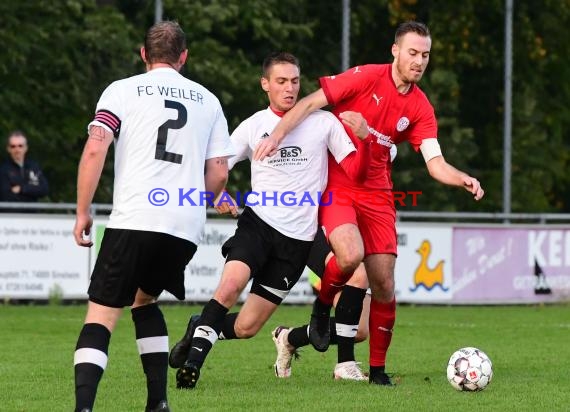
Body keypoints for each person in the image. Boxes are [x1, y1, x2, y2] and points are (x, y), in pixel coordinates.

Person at [254, 21, 485, 386]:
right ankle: (319, 308)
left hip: (378, 195)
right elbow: (312, 102)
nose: (419, 61)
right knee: (349, 256)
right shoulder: (364, 77)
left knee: (385, 284)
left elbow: (435, 162)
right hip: (341, 186)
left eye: (425, 55)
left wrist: (461, 178)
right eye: (412, 52)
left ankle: (377, 371)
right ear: (395, 51)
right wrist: (277, 136)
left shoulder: (421, 107)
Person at [169, 51, 372, 390]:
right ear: (265, 84)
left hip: (298, 242)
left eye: (294, 81)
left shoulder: (322, 122)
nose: (289, 88)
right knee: (230, 286)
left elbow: (355, 170)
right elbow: (217, 167)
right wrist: (216, 195)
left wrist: (366, 139)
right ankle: (193, 367)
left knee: (247, 328)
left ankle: (199, 327)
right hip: (258, 227)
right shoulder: (253, 126)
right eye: (281, 81)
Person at [71, 21, 234, 412]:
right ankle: (158, 402)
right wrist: (204, 201)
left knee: (102, 313)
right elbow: (220, 173)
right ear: (183, 57)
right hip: (183, 226)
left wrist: (82, 212)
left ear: (144, 55)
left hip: (135, 217)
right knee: (144, 302)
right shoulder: (208, 100)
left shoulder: (122, 90)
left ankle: (83, 408)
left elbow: (96, 149)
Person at [273, 144, 396, 381]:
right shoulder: (334, 135)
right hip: (315, 229)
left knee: (359, 330)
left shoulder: (383, 148)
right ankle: (345, 365)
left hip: (350, 237)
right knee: (358, 274)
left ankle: (288, 338)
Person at [0, 131, 49, 203]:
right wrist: (32, 191)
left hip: (32, 213)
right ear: (8, 149)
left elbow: (44, 189)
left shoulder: (33, 166)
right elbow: (5, 196)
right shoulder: (3, 170)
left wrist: (21, 189)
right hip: (10, 213)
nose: (17, 149)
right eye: (13, 146)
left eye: (20, 146)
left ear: (26, 148)